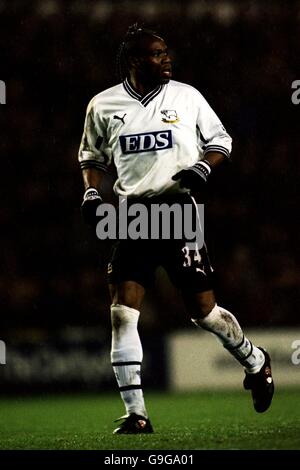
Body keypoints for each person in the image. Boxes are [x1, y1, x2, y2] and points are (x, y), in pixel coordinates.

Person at [78, 24, 274, 434]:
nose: (166, 58)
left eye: (166, 51)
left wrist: (204, 166)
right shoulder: (103, 104)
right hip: (130, 215)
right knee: (122, 313)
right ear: (135, 61)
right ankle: (137, 413)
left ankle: (255, 360)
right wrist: (92, 195)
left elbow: (221, 139)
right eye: (156, 53)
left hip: (179, 210)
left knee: (203, 313)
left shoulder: (187, 96)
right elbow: (92, 157)